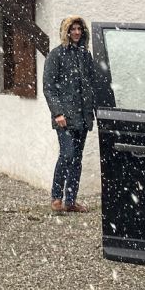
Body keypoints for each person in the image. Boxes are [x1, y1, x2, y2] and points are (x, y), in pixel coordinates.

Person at [43, 15, 96, 213]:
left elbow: (91, 86)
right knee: (67, 154)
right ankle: (56, 197)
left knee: (77, 159)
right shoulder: (56, 55)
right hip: (64, 118)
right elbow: (49, 88)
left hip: (82, 118)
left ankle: (71, 200)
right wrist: (58, 113)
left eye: (79, 29)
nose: (76, 32)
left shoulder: (85, 56)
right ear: (66, 32)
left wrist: (95, 112)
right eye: (72, 29)